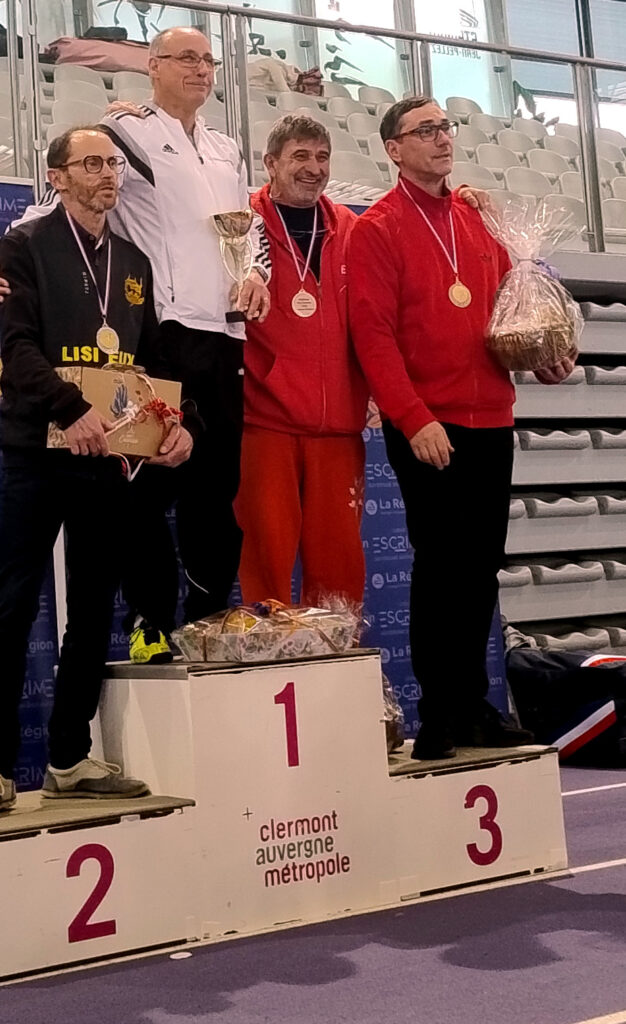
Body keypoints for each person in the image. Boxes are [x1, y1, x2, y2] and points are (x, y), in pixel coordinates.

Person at [0, 26, 271, 663]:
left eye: (207, 60)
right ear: (153, 67)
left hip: (224, 336)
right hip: (163, 334)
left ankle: (211, 625)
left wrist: (254, 273)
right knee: (143, 489)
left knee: (217, 495)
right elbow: (57, 202)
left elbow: (245, 234)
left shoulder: (225, 148)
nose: (200, 70)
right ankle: (149, 624)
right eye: (185, 59)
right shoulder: (128, 133)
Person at [0, 128, 193, 823]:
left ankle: (68, 757)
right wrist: (70, 406)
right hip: (38, 449)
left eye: (113, 163)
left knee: (91, 609)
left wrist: (172, 426)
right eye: (92, 164)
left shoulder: (135, 260)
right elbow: (18, 350)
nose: (107, 174)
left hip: (107, 457)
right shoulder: (26, 247)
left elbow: (148, 364)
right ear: (57, 177)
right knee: (14, 605)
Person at [347, 96, 577, 761]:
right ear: (394, 149)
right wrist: (412, 417)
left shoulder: (479, 220)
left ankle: (475, 703)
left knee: (479, 569)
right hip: (429, 423)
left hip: (491, 418)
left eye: (446, 128)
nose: (442, 139)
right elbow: (374, 337)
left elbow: (514, 313)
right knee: (440, 566)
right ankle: (439, 710)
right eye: (425, 131)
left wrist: (547, 357)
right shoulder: (378, 228)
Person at [235, 114, 367, 608]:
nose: (313, 168)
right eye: (300, 156)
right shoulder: (240, 222)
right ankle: (270, 671)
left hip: (339, 427)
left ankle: (336, 666)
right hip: (264, 421)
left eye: (322, 157)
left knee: (340, 574)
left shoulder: (352, 227)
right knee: (264, 565)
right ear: (270, 163)